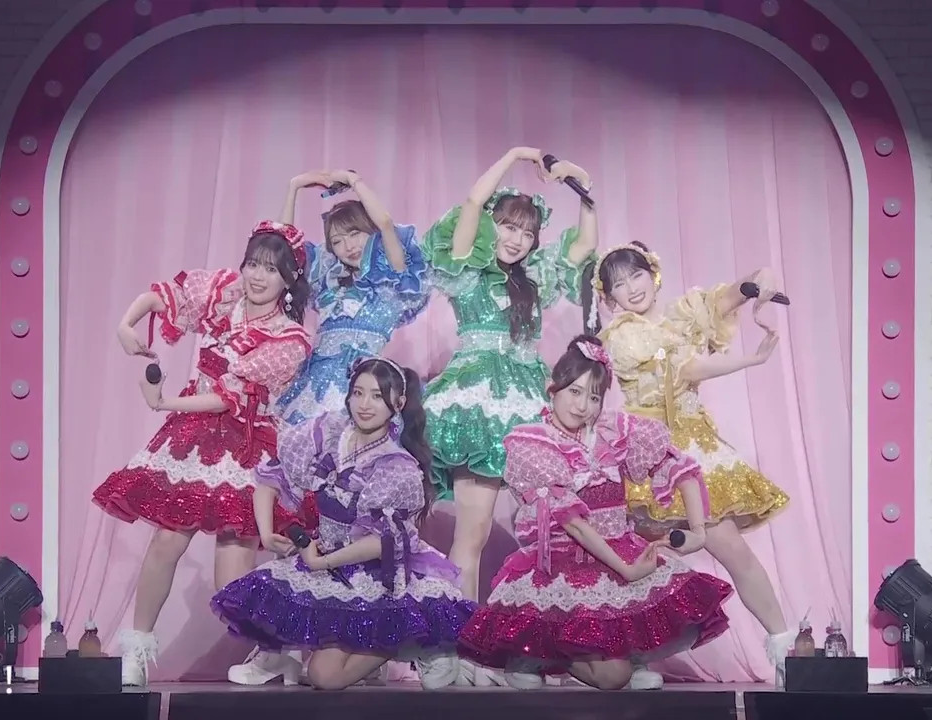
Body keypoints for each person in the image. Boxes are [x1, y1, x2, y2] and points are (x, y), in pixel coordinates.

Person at [92, 221, 314, 686]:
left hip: (246, 444)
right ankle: (136, 651)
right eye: (253, 264)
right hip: (193, 436)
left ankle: (277, 650)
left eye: (271, 270)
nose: (257, 276)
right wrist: (125, 324)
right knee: (167, 540)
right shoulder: (224, 293)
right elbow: (163, 297)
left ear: (289, 279)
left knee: (230, 580)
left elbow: (229, 398)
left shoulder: (290, 339)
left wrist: (164, 403)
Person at [458, 336, 733, 690]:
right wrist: (627, 570)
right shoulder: (533, 442)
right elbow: (573, 524)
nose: (583, 406)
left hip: (619, 549)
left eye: (593, 397)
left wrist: (698, 530)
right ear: (552, 387)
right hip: (565, 563)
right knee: (612, 676)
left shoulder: (611, 431)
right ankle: (535, 655)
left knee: (683, 607)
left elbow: (679, 466)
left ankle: (626, 659)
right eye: (574, 391)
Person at [593, 242, 794, 683]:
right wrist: (751, 359)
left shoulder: (680, 315)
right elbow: (685, 370)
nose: (632, 288)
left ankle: (786, 649)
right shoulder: (624, 335)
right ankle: (632, 661)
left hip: (693, 446)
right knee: (636, 561)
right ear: (609, 297)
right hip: (647, 454)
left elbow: (725, 299)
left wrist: (758, 280)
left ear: (653, 275)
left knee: (734, 551)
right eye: (619, 284)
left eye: (636, 275)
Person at [212, 357, 475, 690]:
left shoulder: (396, 464)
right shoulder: (328, 431)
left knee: (323, 677)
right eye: (358, 393)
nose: (364, 404)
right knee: (265, 594)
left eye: (377, 396)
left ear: (398, 403)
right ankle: (279, 656)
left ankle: (412, 639)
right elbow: (271, 477)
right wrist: (267, 533)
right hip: (327, 558)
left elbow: (382, 541)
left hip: (376, 572)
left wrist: (323, 562)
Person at [421, 146, 598, 612]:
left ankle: (544, 633)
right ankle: (458, 636)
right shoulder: (468, 272)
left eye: (527, 232)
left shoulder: (534, 279)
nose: (517, 239)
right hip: (478, 403)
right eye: (508, 226)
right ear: (490, 227)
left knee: (552, 534)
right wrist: (516, 154)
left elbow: (583, 246)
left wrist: (583, 188)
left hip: (530, 403)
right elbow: (473, 202)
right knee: (473, 534)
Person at [275, 170, 430, 426]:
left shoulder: (391, 280)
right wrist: (295, 186)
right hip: (310, 388)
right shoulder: (327, 281)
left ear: (371, 232)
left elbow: (385, 223)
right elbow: (281, 248)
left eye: (355, 233)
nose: (349, 246)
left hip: (360, 390)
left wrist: (353, 180)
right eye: (337, 241)